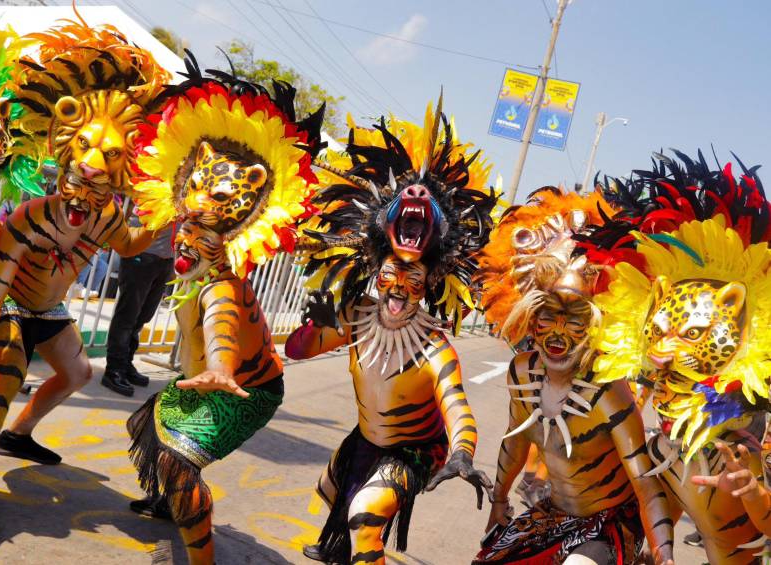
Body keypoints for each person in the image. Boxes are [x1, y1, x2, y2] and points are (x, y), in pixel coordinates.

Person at [125, 56, 325, 565]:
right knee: (144, 426)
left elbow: (221, 322)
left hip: (247, 389)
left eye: (209, 210)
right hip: (211, 377)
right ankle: (171, 504)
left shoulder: (221, 282)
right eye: (188, 213)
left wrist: (218, 366)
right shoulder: (191, 248)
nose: (191, 220)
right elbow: (126, 243)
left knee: (175, 463)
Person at [286, 97, 497, 564]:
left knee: (366, 513)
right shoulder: (355, 315)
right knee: (331, 489)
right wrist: (312, 325)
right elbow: (298, 351)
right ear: (373, 268)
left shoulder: (435, 347)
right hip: (365, 437)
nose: (400, 284)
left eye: (414, 276)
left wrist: (462, 452)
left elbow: (457, 406)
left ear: (432, 282)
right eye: (392, 272)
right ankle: (337, 545)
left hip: (417, 450)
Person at [0, 17, 167, 540]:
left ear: (122, 165)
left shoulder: (108, 217)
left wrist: (173, 210)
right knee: (2, 377)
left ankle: (18, 436)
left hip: (51, 311)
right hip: (12, 307)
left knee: (77, 374)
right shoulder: (30, 214)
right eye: (86, 148)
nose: (92, 165)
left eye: (108, 155)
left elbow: (132, 246)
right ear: (68, 141)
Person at [578, 150, 771, 563]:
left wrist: (754, 494)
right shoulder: (662, 446)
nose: (662, 354)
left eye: (693, 335)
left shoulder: (737, 450)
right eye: (660, 333)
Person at [474, 188, 675, 565]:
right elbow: (515, 442)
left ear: (596, 325)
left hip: (608, 521)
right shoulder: (523, 372)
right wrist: (499, 501)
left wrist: (663, 550)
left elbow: (644, 482)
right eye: (548, 316)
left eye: (575, 321)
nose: (557, 336)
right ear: (531, 316)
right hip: (553, 513)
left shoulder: (607, 392)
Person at [102, 212, 174, 396]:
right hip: (141, 253)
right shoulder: (153, 183)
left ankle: (126, 362)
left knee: (143, 315)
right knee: (127, 315)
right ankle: (114, 369)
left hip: (165, 258)